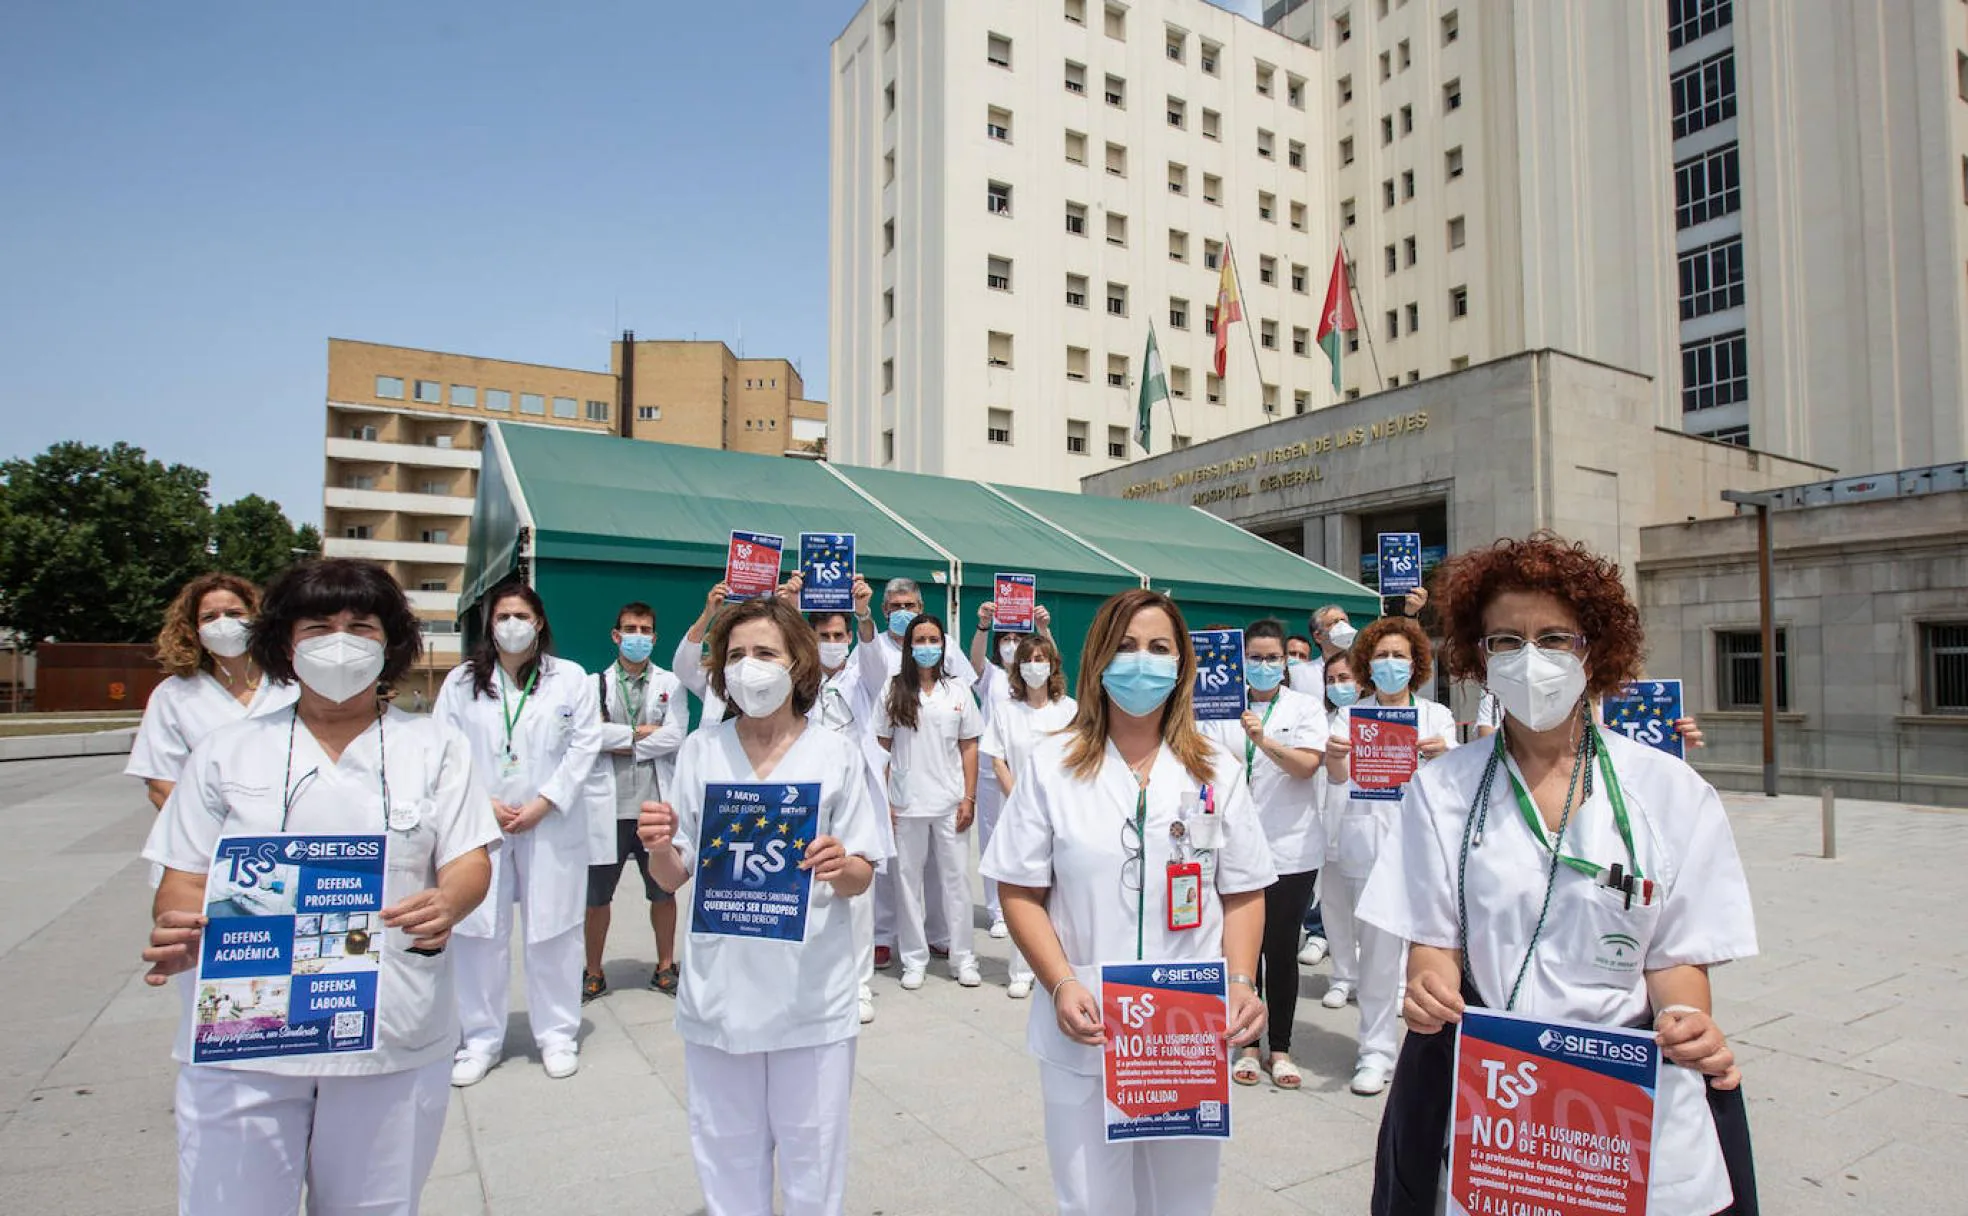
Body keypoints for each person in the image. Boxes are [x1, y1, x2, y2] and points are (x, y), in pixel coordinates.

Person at [1359, 534, 1758, 1215]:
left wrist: (1688, 1016)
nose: (1529, 658)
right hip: (1495, 1093)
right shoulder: (1442, 790)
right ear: (1479, 661)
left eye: (1554, 638)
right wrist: (1427, 987)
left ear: (1593, 651)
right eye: (1506, 641)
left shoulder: (1670, 792)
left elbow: (1678, 955)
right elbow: (1433, 940)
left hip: (1628, 1088)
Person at [140, 558, 497, 1215]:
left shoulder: (434, 747)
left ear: (389, 645)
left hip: (387, 1035)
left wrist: (450, 900)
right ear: (282, 643)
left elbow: (470, 859)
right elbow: (183, 877)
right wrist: (179, 925)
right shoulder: (225, 753)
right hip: (248, 1041)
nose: (341, 641)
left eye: (361, 626)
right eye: (318, 627)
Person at [982, 588, 1273, 1215]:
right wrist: (1060, 983)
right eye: (1126, 646)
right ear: (1097, 659)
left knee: (1184, 1203)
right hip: (1087, 1028)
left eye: (1159, 648)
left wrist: (1243, 980)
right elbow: (1019, 889)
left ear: (1182, 664)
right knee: (1091, 1203)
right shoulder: (1052, 765)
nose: (1142, 662)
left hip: (1185, 1033)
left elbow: (1243, 889)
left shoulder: (1217, 770)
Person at [635, 597, 882, 1216]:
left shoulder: (835, 754)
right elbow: (673, 875)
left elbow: (861, 874)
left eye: (765, 653)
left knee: (813, 1154)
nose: (750, 667)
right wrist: (658, 847)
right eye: (737, 654)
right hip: (721, 992)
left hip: (811, 995)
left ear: (798, 662)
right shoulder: (701, 751)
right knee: (726, 1152)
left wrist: (839, 862)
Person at [436, 581, 605, 1085]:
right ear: (490, 624)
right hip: (480, 822)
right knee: (478, 930)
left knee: (553, 928)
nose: (512, 625)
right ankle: (480, 1038)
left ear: (539, 622)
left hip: (548, 821)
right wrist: (480, 802)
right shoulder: (463, 681)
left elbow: (585, 743)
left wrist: (545, 801)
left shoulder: (569, 678)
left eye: (521, 615)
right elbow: (444, 748)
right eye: (503, 616)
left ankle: (556, 1033)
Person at [1322, 614, 1458, 1096]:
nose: (1391, 664)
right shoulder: (1349, 715)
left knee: (1438, 955)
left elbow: (1453, 780)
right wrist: (1337, 757)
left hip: (1425, 848)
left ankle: (1439, 1055)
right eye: (1381, 656)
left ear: (1416, 664)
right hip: (1371, 845)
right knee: (1378, 958)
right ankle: (1375, 1051)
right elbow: (1338, 779)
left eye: (1400, 656)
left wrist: (1444, 754)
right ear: (1367, 664)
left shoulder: (1436, 717)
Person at [1200, 619, 1329, 1091]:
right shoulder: (1216, 707)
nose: (1264, 665)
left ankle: (1282, 1047)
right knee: (1241, 949)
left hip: (1291, 848)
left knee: (1280, 950)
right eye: (1253, 657)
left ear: (1287, 662)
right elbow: (1201, 765)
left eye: (1274, 657)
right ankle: (1247, 1044)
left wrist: (1263, 741)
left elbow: (1306, 766)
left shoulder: (1305, 707)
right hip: (1231, 846)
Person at [857, 577, 968, 967]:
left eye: (910, 604)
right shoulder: (872, 647)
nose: (904, 612)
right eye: (896, 605)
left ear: (921, 607)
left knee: (943, 870)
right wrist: (863, 616)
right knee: (894, 867)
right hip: (893, 759)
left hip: (940, 772)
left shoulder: (943, 643)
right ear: (885, 610)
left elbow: (964, 690)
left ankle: (940, 934)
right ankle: (886, 936)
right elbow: (870, 670)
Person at [583, 602, 688, 1002]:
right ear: (615, 635)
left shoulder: (670, 683)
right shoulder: (595, 684)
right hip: (607, 808)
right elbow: (589, 737)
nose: (638, 636)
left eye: (646, 629)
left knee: (663, 892)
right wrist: (641, 735)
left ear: (655, 638)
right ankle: (593, 972)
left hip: (654, 806)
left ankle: (664, 967)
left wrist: (619, 741)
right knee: (597, 899)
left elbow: (675, 736)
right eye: (631, 628)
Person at [874, 613, 983, 990]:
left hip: (951, 801)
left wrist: (969, 796)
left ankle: (963, 957)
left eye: (933, 639)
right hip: (906, 803)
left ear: (943, 644)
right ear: (909, 647)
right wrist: (885, 800)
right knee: (907, 883)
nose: (926, 647)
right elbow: (882, 748)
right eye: (919, 640)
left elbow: (970, 746)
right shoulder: (893, 689)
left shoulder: (958, 691)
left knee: (956, 882)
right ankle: (914, 959)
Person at [128, 572, 298, 813]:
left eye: (234, 614)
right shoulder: (173, 695)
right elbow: (161, 782)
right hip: (210, 834)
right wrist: (200, 830)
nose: (223, 623)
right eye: (209, 617)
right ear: (193, 629)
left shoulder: (293, 683)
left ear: (257, 619)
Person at [977, 632, 1077, 999]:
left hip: (1063, 814)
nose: (1035, 666)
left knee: (1062, 893)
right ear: (1018, 666)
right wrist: (1017, 794)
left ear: (1052, 666)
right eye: (1028, 659)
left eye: (1041, 658)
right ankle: (1021, 969)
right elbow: (997, 756)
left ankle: (1062, 970)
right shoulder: (1006, 710)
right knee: (1023, 891)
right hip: (1018, 811)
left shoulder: (1069, 709)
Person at [969, 598, 1055, 941]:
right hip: (996, 771)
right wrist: (983, 625)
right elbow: (974, 661)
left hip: (1034, 772)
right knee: (995, 840)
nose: (1011, 645)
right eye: (1004, 640)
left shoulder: (1042, 678)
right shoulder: (990, 675)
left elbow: (1052, 662)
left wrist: (1044, 628)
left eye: (1017, 639)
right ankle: (996, 909)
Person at [1315, 652, 1365, 1008]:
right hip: (1326, 825)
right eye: (1331, 680)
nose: (1338, 686)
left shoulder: (1374, 720)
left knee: (1370, 913)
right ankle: (1343, 976)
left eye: (1345, 678)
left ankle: (1381, 981)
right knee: (1333, 907)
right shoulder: (1319, 719)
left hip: (1366, 825)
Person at [677, 581, 733, 729]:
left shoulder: (776, 677)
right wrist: (708, 614)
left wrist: (791, 611)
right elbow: (684, 668)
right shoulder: (716, 678)